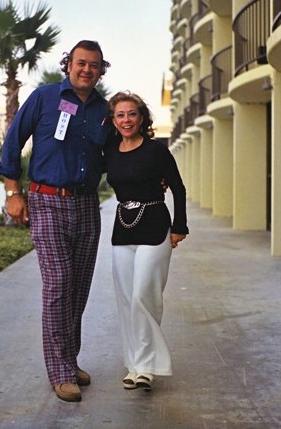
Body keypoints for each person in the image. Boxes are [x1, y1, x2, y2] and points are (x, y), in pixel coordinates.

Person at [0, 40, 111, 403]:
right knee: (58, 283)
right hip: (46, 201)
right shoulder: (44, 97)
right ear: (68, 65)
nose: (86, 70)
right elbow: (13, 141)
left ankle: (69, 360)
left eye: (94, 65)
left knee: (78, 287)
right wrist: (13, 193)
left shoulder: (105, 110)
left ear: (100, 69)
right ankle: (59, 371)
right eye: (80, 63)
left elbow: (119, 153)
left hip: (87, 204)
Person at [105, 91, 189, 392]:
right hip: (122, 230)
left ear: (142, 118)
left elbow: (177, 188)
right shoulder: (110, 150)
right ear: (113, 120)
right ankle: (134, 366)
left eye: (132, 114)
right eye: (120, 115)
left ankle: (149, 365)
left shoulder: (156, 150)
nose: (126, 120)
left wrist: (180, 226)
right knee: (126, 299)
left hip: (155, 228)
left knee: (144, 295)